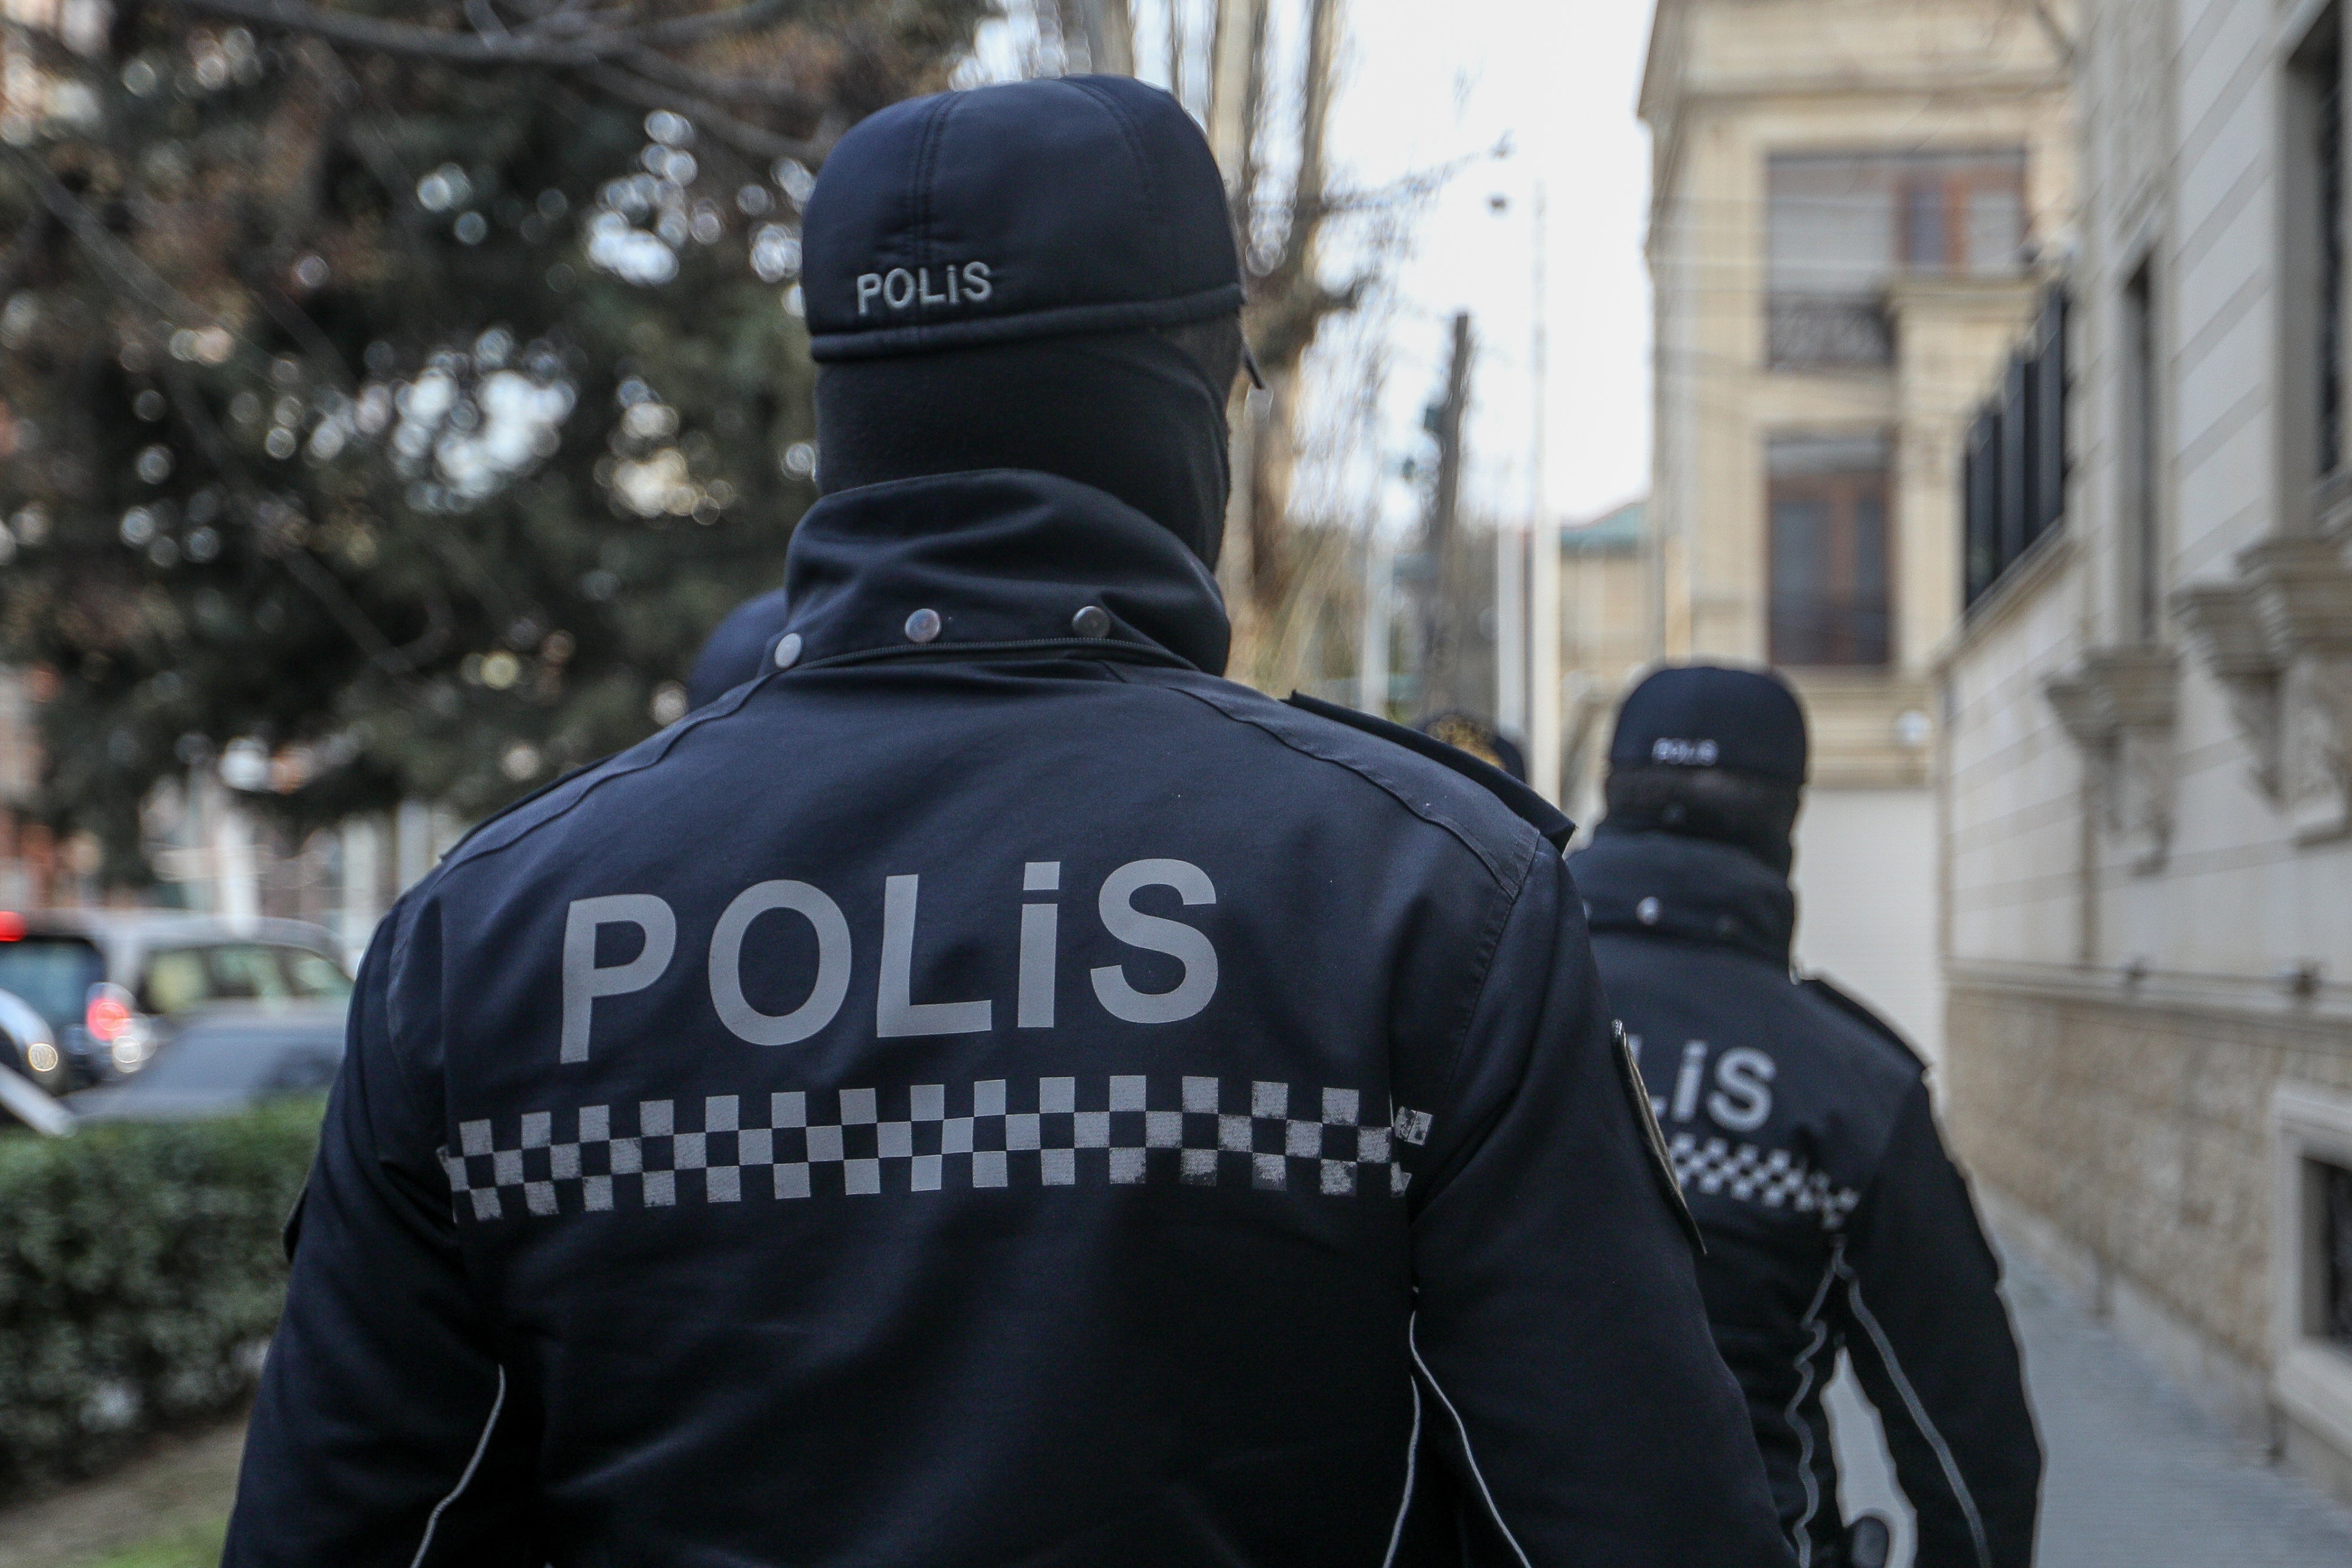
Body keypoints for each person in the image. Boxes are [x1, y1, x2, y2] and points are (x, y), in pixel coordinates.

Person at [222, 78, 1792, 1566]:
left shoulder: (491, 933)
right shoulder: (1415, 896)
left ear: (849, 416)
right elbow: (1635, 1516)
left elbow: (348, 1525)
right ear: (1192, 401)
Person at [1568, 664, 2042, 1568]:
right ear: (1786, 823)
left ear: (1610, 796)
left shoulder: (1470, 1016)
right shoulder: (1852, 1084)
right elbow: (1974, 1448)